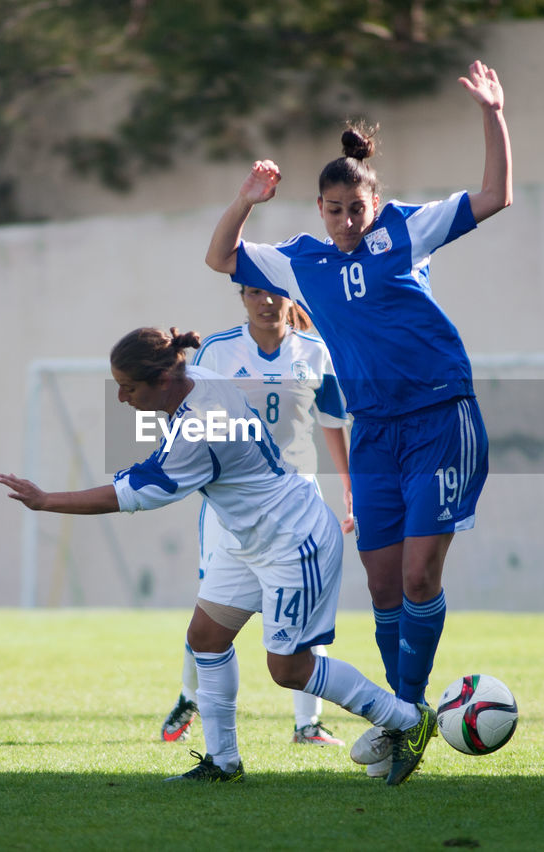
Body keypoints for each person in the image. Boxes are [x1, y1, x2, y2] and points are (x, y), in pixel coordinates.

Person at [204, 60, 511, 777]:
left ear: (374, 200)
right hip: (374, 431)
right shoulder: (299, 261)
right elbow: (219, 256)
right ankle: (405, 723)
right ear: (319, 209)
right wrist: (247, 199)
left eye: (357, 208)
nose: (347, 220)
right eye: (335, 210)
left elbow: (496, 195)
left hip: (439, 417)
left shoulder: (408, 230)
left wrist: (492, 113)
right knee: (379, 586)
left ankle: (405, 718)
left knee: (417, 577)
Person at [0, 327, 437, 786]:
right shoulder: (199, 378)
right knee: (205, 637)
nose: (122, 399)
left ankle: (406, 719)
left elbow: (133, 495)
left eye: (128, 387)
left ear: (162, 379)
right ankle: (223, 763)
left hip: (291, 539)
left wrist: (46, 501)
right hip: (247, 538)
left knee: (289, 669)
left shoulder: (202, 427)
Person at [159, 288, 355, 748]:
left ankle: (308, 724)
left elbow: (332, 420)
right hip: (232, 502)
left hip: (297, 500)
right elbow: (185, 409)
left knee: (303, 611)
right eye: (254, 293)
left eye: (273, 293)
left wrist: (351, 488)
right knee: (211, 607)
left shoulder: (317, 351)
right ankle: (191, 695)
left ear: (288, 299)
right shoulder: (218, 350)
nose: (265, 302)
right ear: (242, 297)